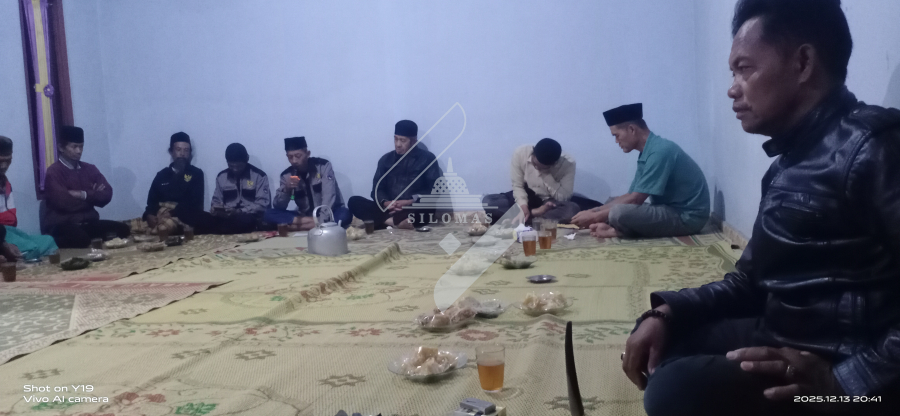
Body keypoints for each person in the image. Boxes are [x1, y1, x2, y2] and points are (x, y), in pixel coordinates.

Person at [624, 1, 899, 415]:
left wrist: (844, 383)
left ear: (802, 63)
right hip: (784, 335)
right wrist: (667, 311)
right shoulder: (786, 166)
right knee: (661, 340)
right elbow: (751, 282)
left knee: (674, 390)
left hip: (847, 369)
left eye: (744, 69)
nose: (732, 89)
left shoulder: (874, 147)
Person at [570, 103, 710, 238]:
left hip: (687, 217)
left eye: (616, 135)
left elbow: (636, 199)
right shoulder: (647, 152)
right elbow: (631, 194)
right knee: (612, 201)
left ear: (631, 129)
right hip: (668, 209)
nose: (616, 141)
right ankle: (618, 228)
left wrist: (595, 217)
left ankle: (621, 231)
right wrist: (594, 210)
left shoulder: (660, 152)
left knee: (618, 213)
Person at [41, 126, 130, 248]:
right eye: (74, 147)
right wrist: (93, 196)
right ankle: (51, 241)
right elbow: (64, 202)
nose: (79, 151)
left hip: (88, 222)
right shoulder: (54, 171)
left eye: (81, 146)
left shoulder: (90, 169)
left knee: (124, 229)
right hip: (63, 224)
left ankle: (90, 239)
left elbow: (107, 194)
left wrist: (81, 194)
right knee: (81, 239)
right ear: (61, 147)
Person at [348, 120, 443, 230]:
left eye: (402, 140)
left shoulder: (427, 159)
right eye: (396, 139)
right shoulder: (385, 160)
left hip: (412, 208)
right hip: (388, 209)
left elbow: (434, 191)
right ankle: (394, 222)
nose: (398, 144)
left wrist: (409, 202)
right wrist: (386, 203)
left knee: (427, 208)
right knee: (354, 201)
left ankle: (384, 221)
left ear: (413, 141)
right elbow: (377, 189)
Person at [482, 138, 599, 224]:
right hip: (529, 196)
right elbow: (517, 186)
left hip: (550, 202)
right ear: (533, 153)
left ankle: (524, 218)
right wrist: (523, 206)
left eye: (542, 167)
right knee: (489, 202)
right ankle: (533, 214)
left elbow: (564, 197)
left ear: (554, 164)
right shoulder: (520, 153)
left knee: (572, 209)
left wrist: (546, 174)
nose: (537, 169)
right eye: (535, 164)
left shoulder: (568, 163)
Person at [265, 137, 350, 230]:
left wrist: (322, 219)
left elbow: (329, 196)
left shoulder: (323, 166)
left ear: (307, 154)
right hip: (305, 215)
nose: (294, 161)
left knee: (344, 214)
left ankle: (297, 226)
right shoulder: (286, 175)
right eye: (290, 157)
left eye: (298, 156)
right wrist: (287, 189)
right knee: (268, 214)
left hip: (329, 212)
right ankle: (319, 224)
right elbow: (279, 206)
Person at [144, 132, 215, 234]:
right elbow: (151, 202)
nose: (182, 154)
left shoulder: (196, 174)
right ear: (171, 151)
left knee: (165, 227)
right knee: (129, 227)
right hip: (160, 216)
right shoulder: (162, 175)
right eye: (178, 149)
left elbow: (195, 204)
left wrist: (171, 213)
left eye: (186, 150)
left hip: (183, 217)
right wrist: (149, 215)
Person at [0, 136, 57, 259]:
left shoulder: (5, 183)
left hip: (10, 231)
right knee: (31, 249)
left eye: (8, 160)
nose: (4, 166)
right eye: (0, 161)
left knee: (49, 241)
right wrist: (3, 244)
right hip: (1, 233)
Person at [210, 143, 271, 233]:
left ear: (247, 160)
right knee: (200, 218)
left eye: (239, 166)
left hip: (249, 217)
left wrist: (239, 212)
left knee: (246, 220)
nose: (235, 169)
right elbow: (216, 201)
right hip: (226, 218)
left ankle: (223, 229)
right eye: (231, 166)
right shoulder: (221, 177)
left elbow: (262, 205)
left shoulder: (259, 176)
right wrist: (215, 209)